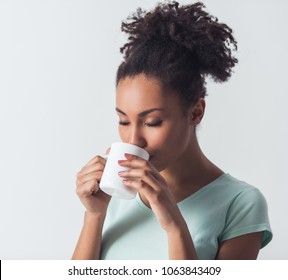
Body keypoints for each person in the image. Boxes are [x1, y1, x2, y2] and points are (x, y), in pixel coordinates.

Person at [72, 1, 272, 260]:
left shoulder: (241, 204)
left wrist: (175, 226)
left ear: (196, 112)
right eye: (123, 121)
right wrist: (94, 215)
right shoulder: (115, 191)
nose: (134, 140)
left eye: (152, 122)